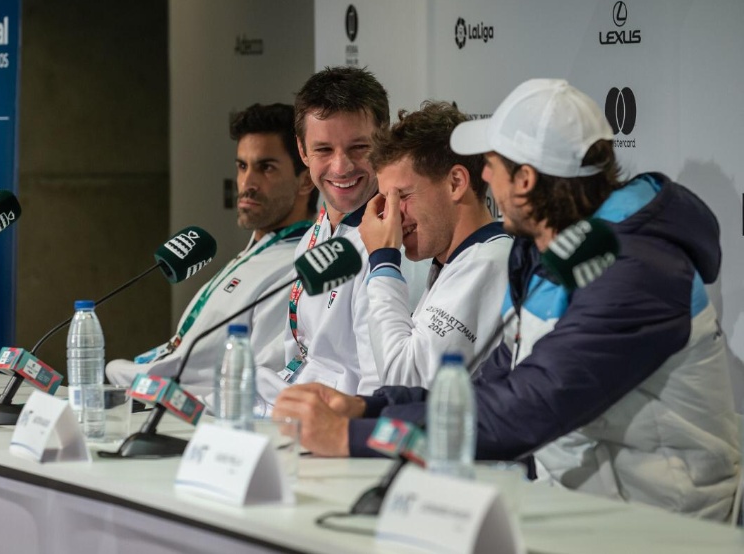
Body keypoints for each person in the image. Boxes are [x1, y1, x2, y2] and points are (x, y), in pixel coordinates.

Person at [274, 79, 740, 521]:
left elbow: (527, 408)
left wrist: (356, 437)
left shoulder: (635, 271)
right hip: (588, 511)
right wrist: (370, 409)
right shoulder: (549, 253)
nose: (485, 178)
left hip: (666, 524)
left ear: (525, 181)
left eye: (492, 166)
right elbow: (490, 388)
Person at [106, 103, 316, 395]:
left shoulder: (301, 265)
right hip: (155, 400)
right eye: (242, 166)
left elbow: (254, 378)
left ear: (306, 180)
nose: (247, 183)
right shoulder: (257, 253)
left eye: (266, 168)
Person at [258, 66, 389, 403]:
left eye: (359, 147)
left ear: (384, 140)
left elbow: (380, 385)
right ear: (302, 151)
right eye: (324, 150)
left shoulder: (395, 241)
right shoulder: (313, 237)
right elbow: (299, 353)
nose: (342, 167)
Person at [358, 101, 511, 387]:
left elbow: (406, 381)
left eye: (401, 196)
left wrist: (383, 261)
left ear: (455, 182)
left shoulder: (489, 262)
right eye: (385, 200)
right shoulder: (457, 260)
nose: (390, 215)